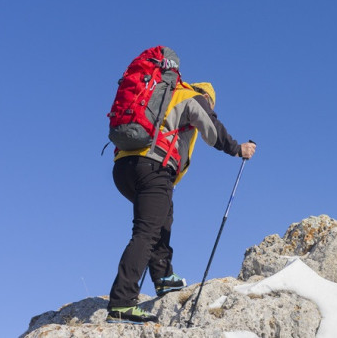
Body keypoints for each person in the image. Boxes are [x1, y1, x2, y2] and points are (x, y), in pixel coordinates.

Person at [106, 77, 256, 324]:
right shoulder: (192, 97)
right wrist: (237, 149)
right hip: (153, 166)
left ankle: (163, 277)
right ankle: (122, 302)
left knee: (162, 218)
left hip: (123, 167)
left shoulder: (163, 97)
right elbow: (212, 128)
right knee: (146, 232)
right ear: (208, 98)